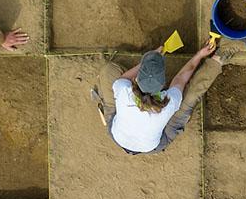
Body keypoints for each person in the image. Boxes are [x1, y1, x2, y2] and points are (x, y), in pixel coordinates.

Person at [97, 38, 230, 154]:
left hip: (118, 135)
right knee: (190, 96)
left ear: (137, 79)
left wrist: (149, 60)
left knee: (109, 71)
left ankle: (218, 59)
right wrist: (199, 55)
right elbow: (180, 79)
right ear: (163, 84)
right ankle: (218, 60)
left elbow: (125, 78)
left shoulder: (124, 89)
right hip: (154, 145)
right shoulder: (170, 101)